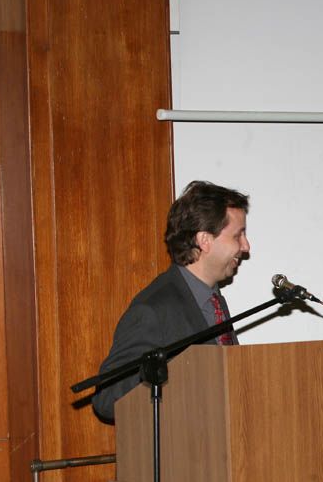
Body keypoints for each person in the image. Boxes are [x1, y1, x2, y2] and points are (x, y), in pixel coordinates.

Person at [92, 180, 251, 422]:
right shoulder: (153, 308)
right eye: (238, 235)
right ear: (204, 240)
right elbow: (107, 399)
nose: (246, 246)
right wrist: (169, 381)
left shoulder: (215, 303)